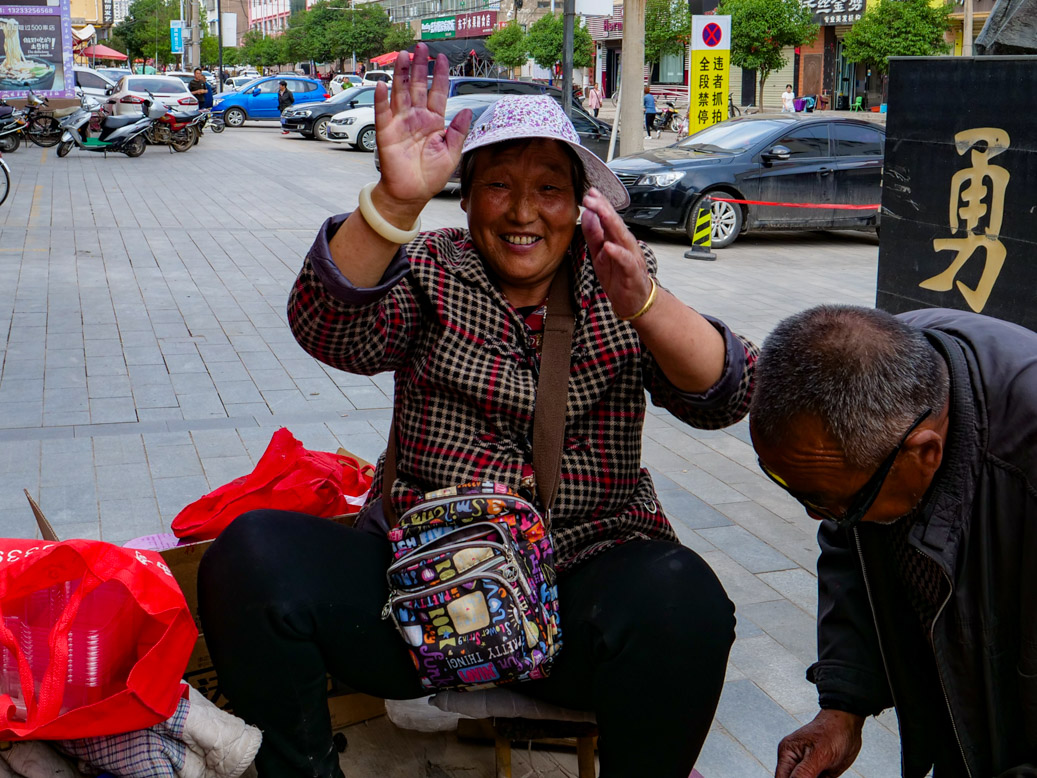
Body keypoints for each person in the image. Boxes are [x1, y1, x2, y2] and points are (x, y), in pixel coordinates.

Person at [198, 41, 758, 778]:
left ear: (579, 203)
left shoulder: (616, 282)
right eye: (499, 185)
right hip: (420, 591)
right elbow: (328, 329)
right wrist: (394, 200)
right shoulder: (431, 267)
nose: (524, 211)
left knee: (684, 602)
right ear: (468, 200)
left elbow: (726, 396)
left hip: (575, 590)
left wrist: (647, 307)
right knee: (252, 556)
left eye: (549, 189)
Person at [749, 305, 1037, 778]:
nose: (816, 516)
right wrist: (843, 708)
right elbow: (853, 546)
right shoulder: (881, 369)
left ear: (925, 452)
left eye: (835, 504)